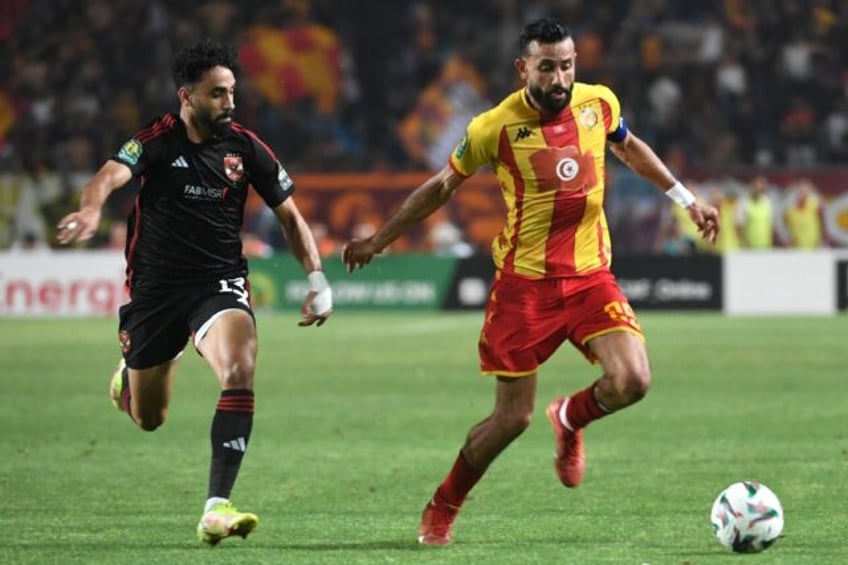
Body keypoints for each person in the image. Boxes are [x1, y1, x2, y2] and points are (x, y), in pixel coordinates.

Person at [342, 18, 719, 546]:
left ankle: (570, 417)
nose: (560, 78)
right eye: (547, 67)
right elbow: (440, 188)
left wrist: (687, 199)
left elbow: (629, 148)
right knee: (511, 420)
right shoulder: (492, 127)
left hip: (590, 278)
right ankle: (445, 501)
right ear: (524, 69)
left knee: (633, 380)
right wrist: (379, 240)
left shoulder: (599, 104)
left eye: (567, 65)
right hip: (525, 289)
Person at [56, 39, 333, 545]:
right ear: (186, 96)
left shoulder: (246, 149)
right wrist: (93, 209)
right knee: (149, 419)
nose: (230, 103)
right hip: (157, 292)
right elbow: (109, 175)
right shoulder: (156, 140)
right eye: (217, 94)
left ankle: (215, 507)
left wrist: (317, 280)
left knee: (240, 368)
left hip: (217, 282)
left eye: (232, 92)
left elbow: (290, 216)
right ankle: (129, 378)